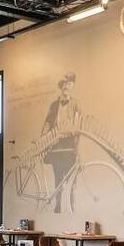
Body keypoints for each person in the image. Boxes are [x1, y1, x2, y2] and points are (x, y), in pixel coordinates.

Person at [41, 73, 81, 214]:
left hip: (70, 148)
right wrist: (43, 138)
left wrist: (76, 146)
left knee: (72, 181)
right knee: (58, 180)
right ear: (61, 86)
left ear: (72, 86)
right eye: (63, 84)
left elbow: (79, 126)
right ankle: (57, 208)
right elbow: (47, 123)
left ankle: (72, 210)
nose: (66, 87)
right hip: (57, 148)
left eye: (68, 84)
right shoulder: (54, 105)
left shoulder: (76, 104)